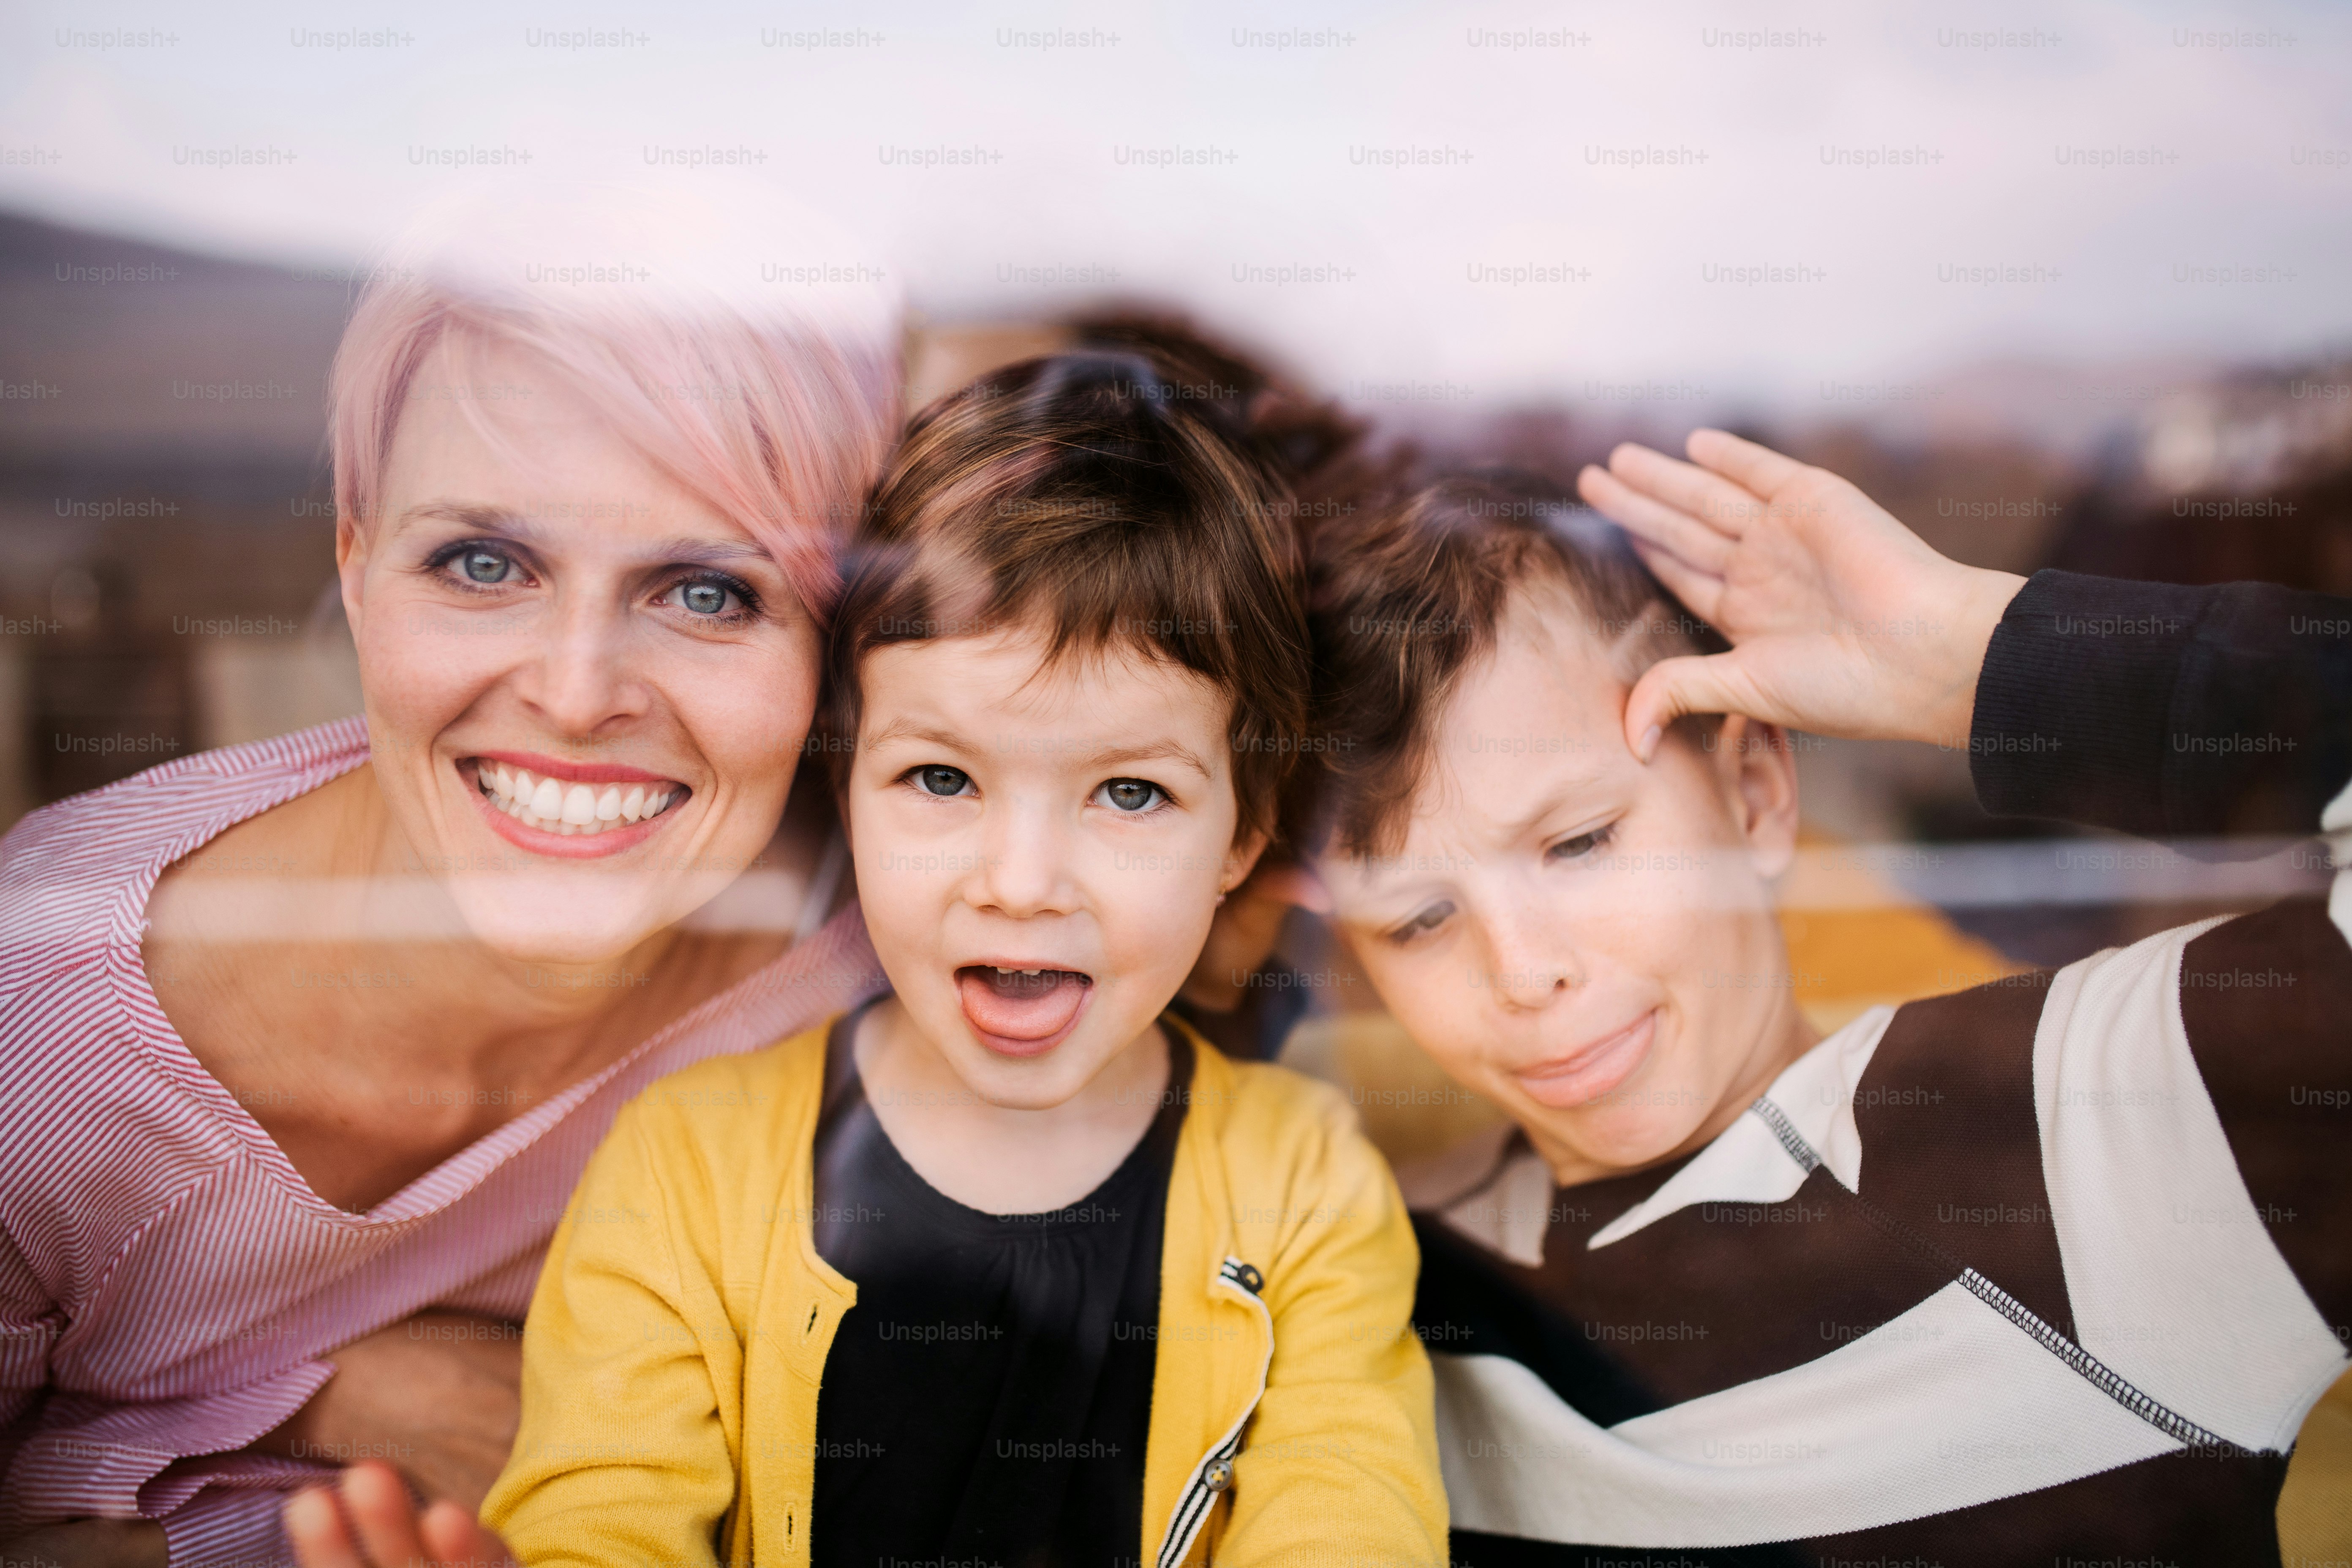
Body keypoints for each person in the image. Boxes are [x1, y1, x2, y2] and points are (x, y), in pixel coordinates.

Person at [284, 351, 1448, 1568]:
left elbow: (1347, 1510)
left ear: (1242, 837)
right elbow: (604, 1520)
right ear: (846, 786)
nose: (1021, 881)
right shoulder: (686, 1169)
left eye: (1131, 793)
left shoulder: (1309, 1188)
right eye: (940, 779)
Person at [0, 187, 901, 1568]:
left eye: (710, 592)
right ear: (355, 564)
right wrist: (344, 1406)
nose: (578, 692)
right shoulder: (38, 1036)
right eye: (484, 562)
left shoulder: (887, 960)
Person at [1288, 433, 2350, 1564]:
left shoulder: (2080, 1145)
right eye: (1416, 918)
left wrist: (1982, 660)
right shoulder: (1355, 1276)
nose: (1522, 971)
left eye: (1582, 842)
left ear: (1754, 792)